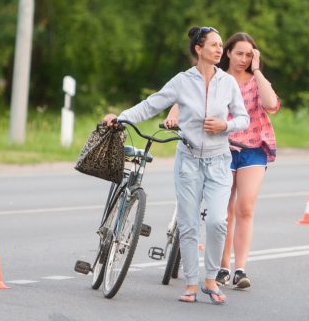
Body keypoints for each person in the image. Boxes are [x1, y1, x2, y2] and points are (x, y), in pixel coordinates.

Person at [102, 26, 249, 304]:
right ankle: (192, 284)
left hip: (219, 161)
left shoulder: (228, 83)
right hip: (189, 161)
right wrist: (121, 118)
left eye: (221, 45)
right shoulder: (182, 81)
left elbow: (243, 119)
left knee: (218, 221)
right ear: (199, 49)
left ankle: (211, 279)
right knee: (189, 224)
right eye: (214, 45)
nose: (220, 49)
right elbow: (150, 104)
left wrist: (225, 125)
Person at [167, 32, 280, 290]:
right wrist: (173, 116)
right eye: (239, 53)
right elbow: (186, 96)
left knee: (246, 208)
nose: (243, 59)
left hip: (253, 149)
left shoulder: (255, 81)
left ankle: (240, 268)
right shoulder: (216, 79)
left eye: (249, 55)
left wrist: (258, 71)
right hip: (220, 148)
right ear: (227, 52)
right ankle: (222, 268)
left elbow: (271, 104)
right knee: (223, 212)